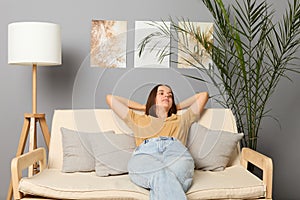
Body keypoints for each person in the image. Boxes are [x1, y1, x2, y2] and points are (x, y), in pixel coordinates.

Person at [106, 84, 208, 200]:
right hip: (145, 155)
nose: (166, 96)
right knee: (162, 175)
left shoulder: (182, 119)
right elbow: (111, 98)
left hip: (176, 153)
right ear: (153, 98)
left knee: (166, 180)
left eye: (170, 96)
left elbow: (203, 96)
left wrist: (176, 106)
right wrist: (143, 107)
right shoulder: (138, 119)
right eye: (161, 93)